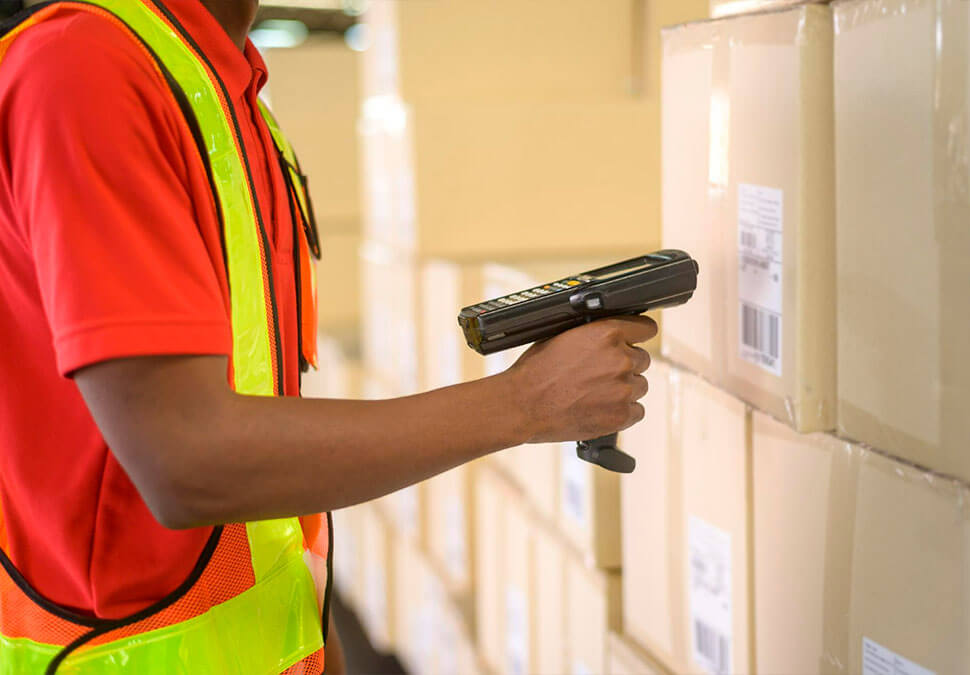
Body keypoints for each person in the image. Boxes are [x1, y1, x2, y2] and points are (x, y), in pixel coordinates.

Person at [0, 0, 656, 672]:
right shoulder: (85, 67)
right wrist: (524, 403)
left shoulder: (224, 86)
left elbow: (260, 457)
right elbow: (185, 462)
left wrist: (318, 642)